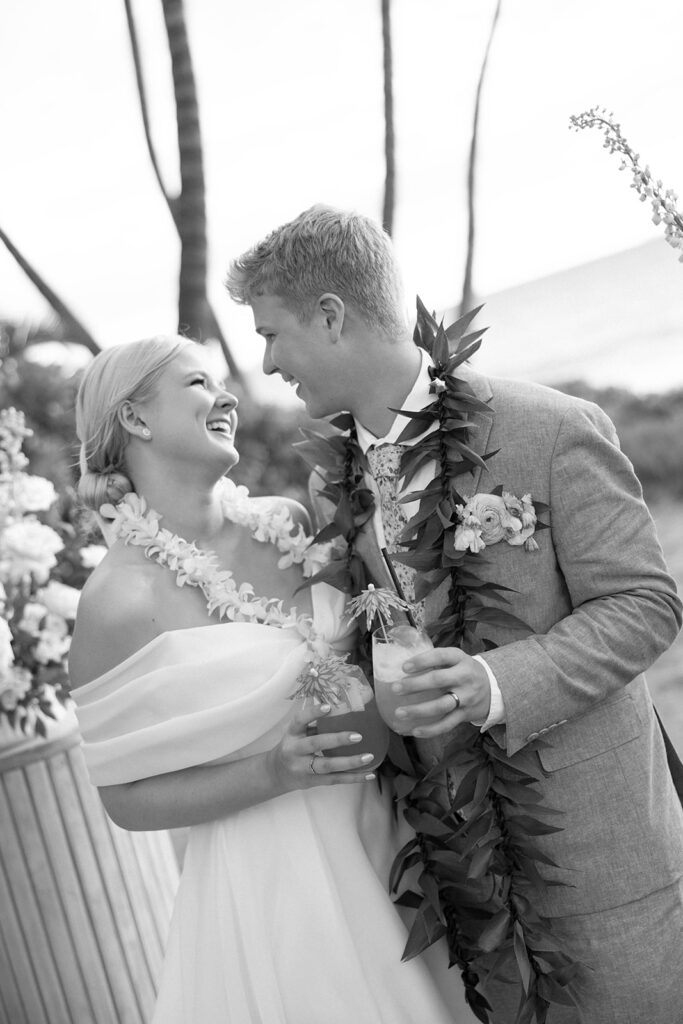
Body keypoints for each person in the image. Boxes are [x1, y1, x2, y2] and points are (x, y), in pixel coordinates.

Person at [226, 204, 683, 1024]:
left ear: (331, 316)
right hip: (465, 876)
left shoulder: (547, 430)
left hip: (605, 860)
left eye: (272, 334)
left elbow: (645, 604)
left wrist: (492, 681)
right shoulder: (330, 486)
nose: (266, 363)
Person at [68, 335, 478, 1024]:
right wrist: (274, 773)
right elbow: (125, 801)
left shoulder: (285, 523)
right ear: (135, 420)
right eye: (199, 383)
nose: (228, 394)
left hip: (392, 839)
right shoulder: (118, 600)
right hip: (276, 884)